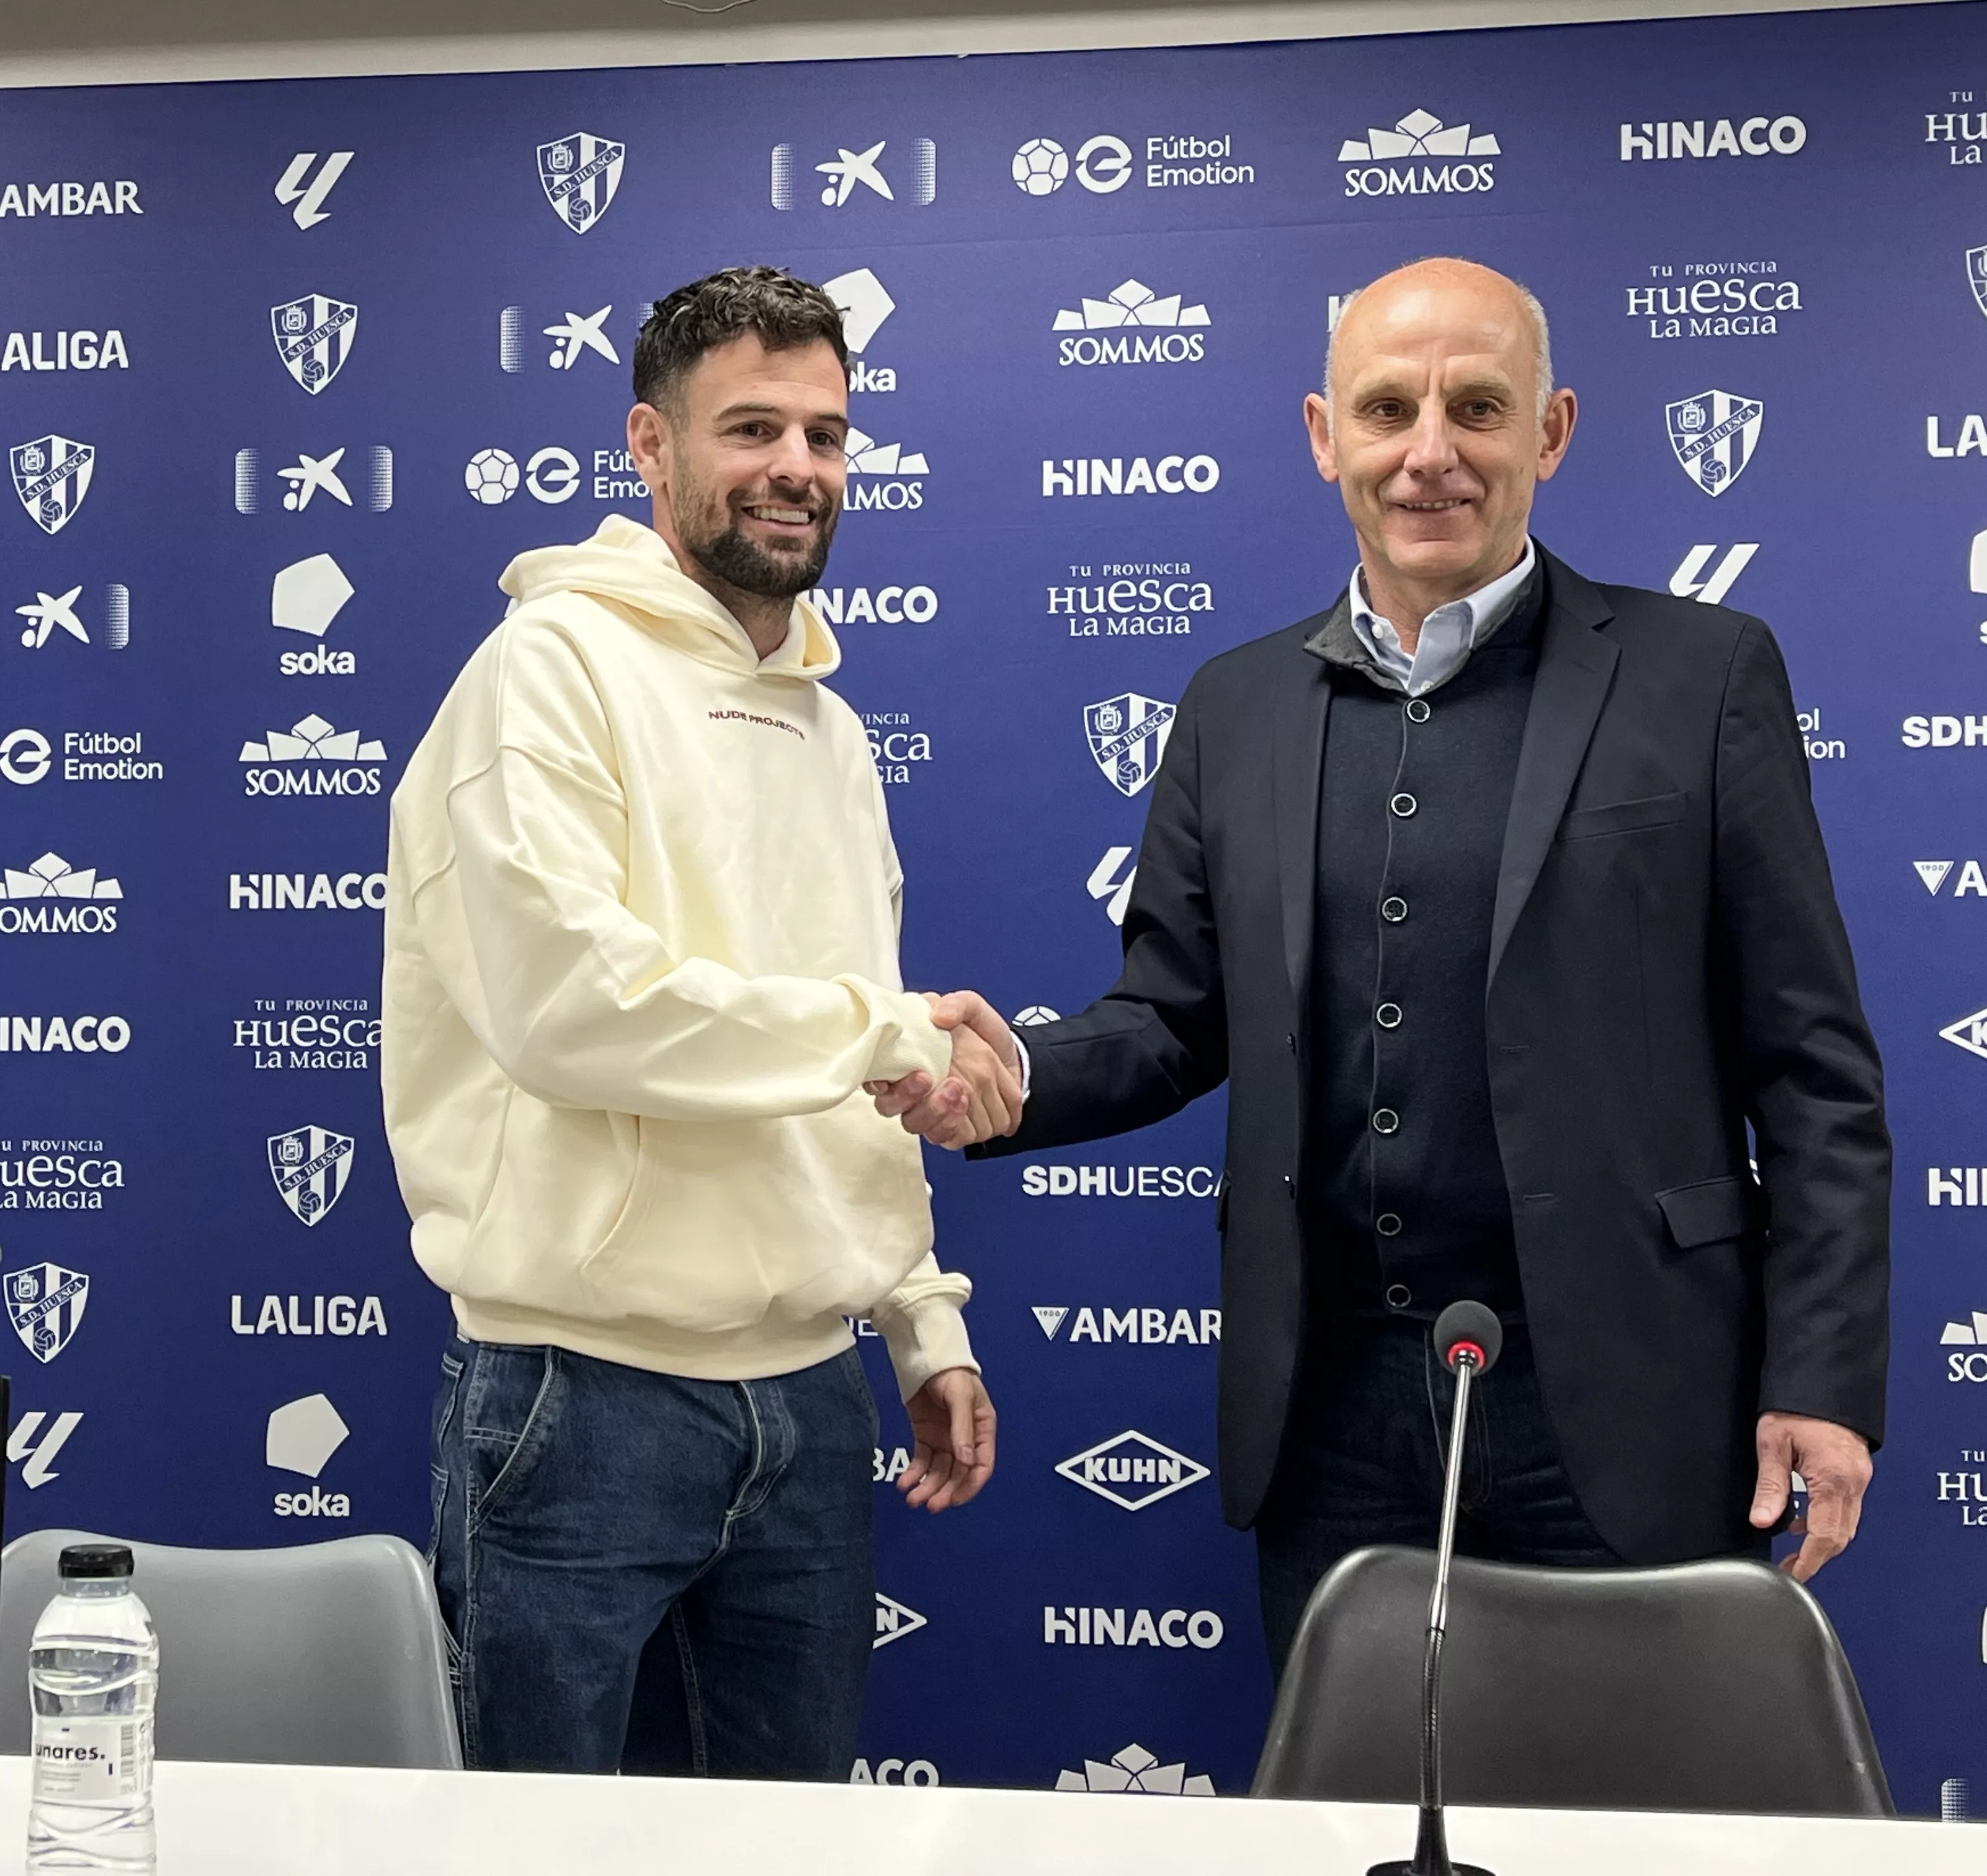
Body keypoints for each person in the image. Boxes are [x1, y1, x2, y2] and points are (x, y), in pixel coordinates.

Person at [879, 256, 1890, 1676]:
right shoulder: (1234, 707)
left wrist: (1823, 1378)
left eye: (1477, 408)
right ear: (1323, 436)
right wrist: (1016, 1075)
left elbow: (1813, 1071)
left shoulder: (1703, 676)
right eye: (1386, 410)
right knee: (1351, 1787)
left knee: (1633, 1792)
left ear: (1551, 431)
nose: (1430, 454)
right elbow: (1173, 1017)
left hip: (1634, 1397)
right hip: (1331, 1410)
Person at [383, 266, 1012, 1776]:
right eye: (751, 429)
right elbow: (570, 1010)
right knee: (531, 1865)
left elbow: (846, 1047)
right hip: (575, 1398)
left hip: (809, 1398)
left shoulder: (830, 726)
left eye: (825, 434)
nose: (797, 467)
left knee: (780, 1861)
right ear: (650, 447)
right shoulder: (545, 674)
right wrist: (889, 1035)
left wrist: (917, 1316)